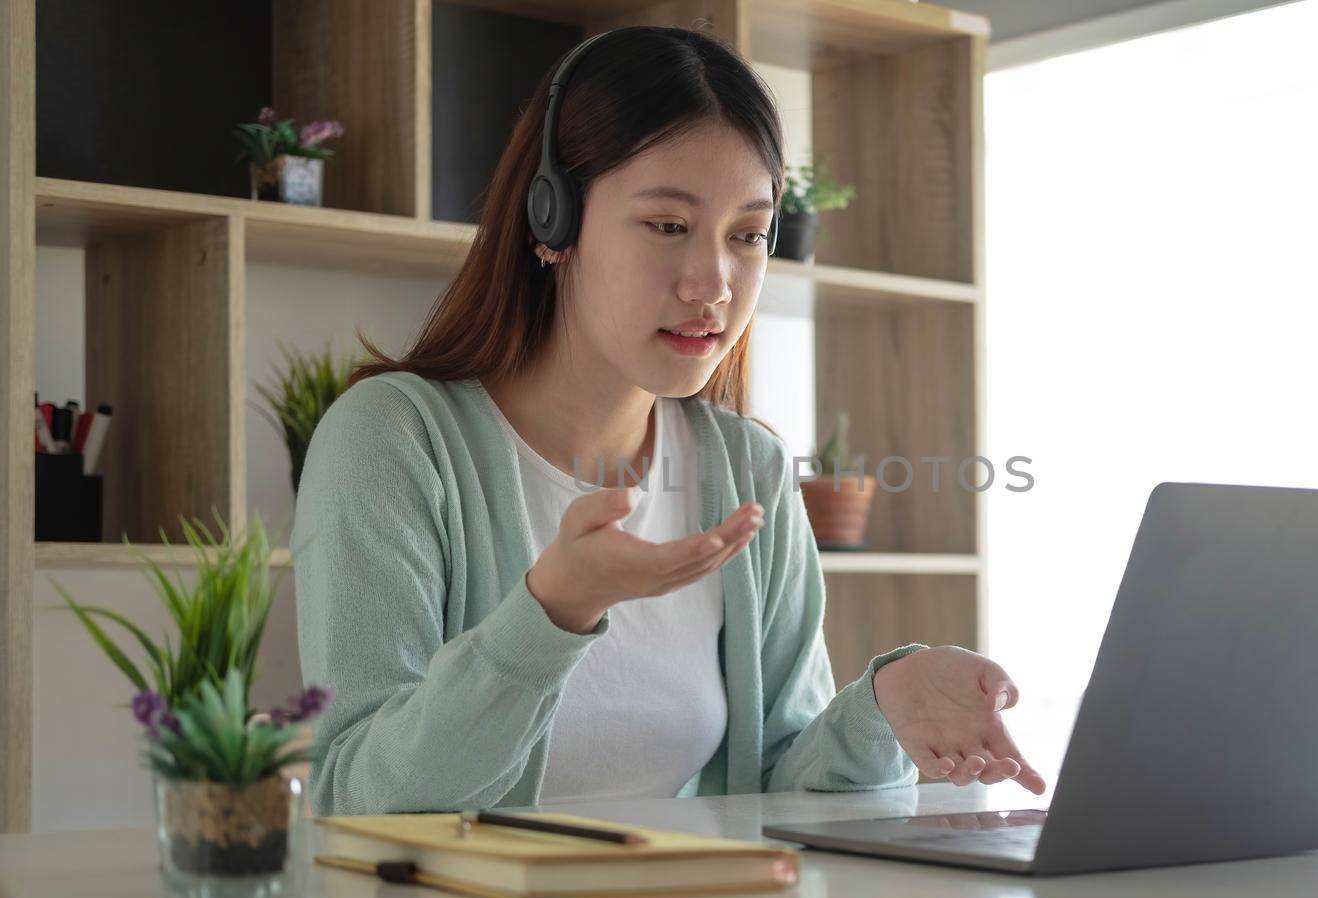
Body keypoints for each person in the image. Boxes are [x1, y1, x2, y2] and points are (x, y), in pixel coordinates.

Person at [292, 25, 1046, 818]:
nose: (713, 283)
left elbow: (781, 784)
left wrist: (880, 708)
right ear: (552, 223)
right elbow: (357, 798)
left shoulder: (746, 467)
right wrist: (550, 612)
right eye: (668, 225)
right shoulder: (389, 441)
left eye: (749, 235)